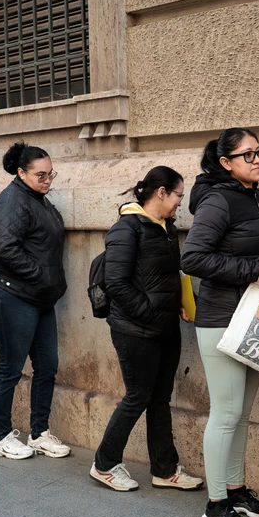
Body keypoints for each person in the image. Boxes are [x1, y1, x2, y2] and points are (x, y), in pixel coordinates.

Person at [181, 128, 259, 517]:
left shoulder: (258, 196)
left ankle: (237, 490)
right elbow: (192, 257)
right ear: (225, 163)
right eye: (247, 154)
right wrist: (250, 271)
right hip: (222, 320)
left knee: (241, 414)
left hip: (255, 321)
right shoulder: (217, 200)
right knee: (225, 414)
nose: (257, 159)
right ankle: (215, 503)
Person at [90, 166, 203, 493]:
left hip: (165, 327)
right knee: (138, 395)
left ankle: (165, 470)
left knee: (160, 399)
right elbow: (117, 284)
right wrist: (151, 312)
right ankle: (105, 464)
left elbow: (169, 275)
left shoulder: (166, 228)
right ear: (161, 193)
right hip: (135, 330)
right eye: (179, 194)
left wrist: (182, 301)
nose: (181, 201)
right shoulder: (127, 229)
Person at [0, 142, 70, 461]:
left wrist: (45, 281)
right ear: (21, 172)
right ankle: (2, 436)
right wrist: (41, 275)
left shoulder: (37, 199)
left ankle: (39, 433)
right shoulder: (13, 200)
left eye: (50, 175)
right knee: (11, 368)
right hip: (11, 295)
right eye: (40, 175)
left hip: (39, 296)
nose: (47, 181)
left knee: (47, 366)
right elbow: (3, 247)